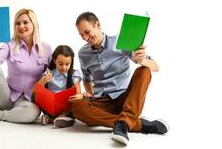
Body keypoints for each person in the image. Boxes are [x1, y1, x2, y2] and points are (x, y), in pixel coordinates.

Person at [70, 12, 169, 145]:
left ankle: (124, 122)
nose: (85, 38)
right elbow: (87, 79)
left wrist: (142, 60)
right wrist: (89, 96)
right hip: (103, 101)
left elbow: (156, 67)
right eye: (81, 35)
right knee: (76, 107)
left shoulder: (120, 41)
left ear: (98, 25)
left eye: (87, 32)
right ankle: (134, 124)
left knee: (144, 70)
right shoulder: (83, 54)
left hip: (126, 99)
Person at [0, 8, 52, 133]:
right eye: (17, 23)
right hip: (6, 97)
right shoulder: (10, 45)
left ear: (33, 24)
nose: (21, 26)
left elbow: (52, 75)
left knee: (34, 113)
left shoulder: (46, 48)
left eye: (25, 22)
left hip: (28, 101)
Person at [34, 45, 82, 128]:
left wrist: (79, 95)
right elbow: (34, 90)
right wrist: (44, 80)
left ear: (71, 62)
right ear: (55, 60)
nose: (64, 67)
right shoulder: (49, 73)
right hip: (51, 107)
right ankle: (56, 118)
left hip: (66, 107)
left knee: (77, 104)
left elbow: (78, 94)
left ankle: (54, 119)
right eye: (60, 64)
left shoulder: (75, 74)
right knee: (34, 95)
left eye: (67, 64)